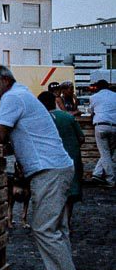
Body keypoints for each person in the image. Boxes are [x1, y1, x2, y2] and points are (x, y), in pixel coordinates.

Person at [0, 65, 84, 270]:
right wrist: (0, 136)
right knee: (56, 230)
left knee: (44, 228)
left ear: (5, 80)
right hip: (55, 168)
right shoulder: (21, 94)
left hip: (48, 170)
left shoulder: (13, 97)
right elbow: (5, 138)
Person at [37, 91, 83, 233]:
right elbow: (81, 138)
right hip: (71, 159)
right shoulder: (68, 117)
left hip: (48, 162)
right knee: (69, 193)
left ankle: (53, 223)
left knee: (51, 193)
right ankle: (66, 222)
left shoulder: (39, 120)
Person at [88, 79, 116, 187]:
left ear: (98, 87)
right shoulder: (115, 95)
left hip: (101, 126)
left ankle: (111, 180)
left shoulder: (94, 97)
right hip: (114, 126)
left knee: (105, 153)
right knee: (108, 152)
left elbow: (91, 111)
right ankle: (97, 173)